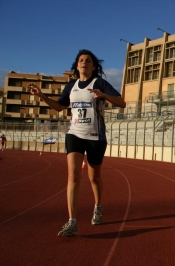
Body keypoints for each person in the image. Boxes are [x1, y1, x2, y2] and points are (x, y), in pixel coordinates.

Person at [29, 49, 126, 236]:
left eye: (88, 60)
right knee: (73, 176)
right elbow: (59, 107)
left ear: (94, 66)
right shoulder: (71, 86)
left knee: (94, 178)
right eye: (81, 60)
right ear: (77, 65)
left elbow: (122, 103)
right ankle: (72, 221)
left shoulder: (99, 83)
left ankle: (98, 206)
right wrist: (41, 96)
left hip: (96, 136)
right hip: (74, 134)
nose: (84, 62)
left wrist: (103, 96)